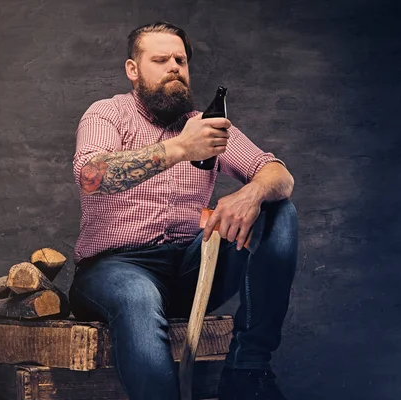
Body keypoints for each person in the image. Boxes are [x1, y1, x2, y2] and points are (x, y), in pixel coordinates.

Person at [69, 21, 298, 400]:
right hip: (115, 269)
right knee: (137, 296)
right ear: (133, 70)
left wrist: (253, 192)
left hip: (193, 269)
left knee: (279, 212)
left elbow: (279, 174)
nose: (174, 66)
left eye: (180, 59)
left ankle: (247, 369)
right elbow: (92, 177)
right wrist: (180, 149)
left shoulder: (204, 126)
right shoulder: (107, 114)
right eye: (160, 59)